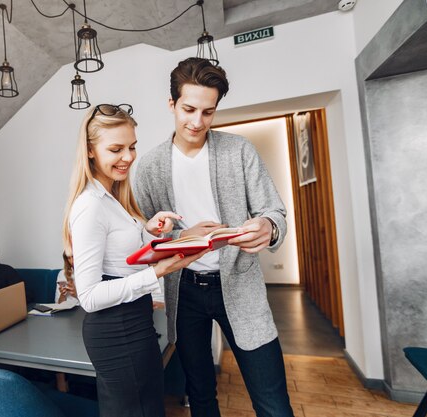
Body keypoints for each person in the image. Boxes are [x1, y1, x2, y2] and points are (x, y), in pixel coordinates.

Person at [134, 57, 294, 417]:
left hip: (240, 284)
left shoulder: (239, 151)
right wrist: (171, 235)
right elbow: (146, 237)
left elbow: (275, 212)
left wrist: (269, 228)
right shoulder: (149, 166)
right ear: (171, 104)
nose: (197, 121)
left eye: (208, 112)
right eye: (189, 109)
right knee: (201, 396)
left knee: (273, 403)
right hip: (184, 290)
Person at [62, 103, 207, 417]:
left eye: (131, 147)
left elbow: (123, 259)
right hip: (116, 331)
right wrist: (157, 272)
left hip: (134, 323)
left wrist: (152, 232)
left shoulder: (112, 199)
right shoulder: (90, 206)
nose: (128, 157)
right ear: (89, 151)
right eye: (116, 149)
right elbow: (88, 297)